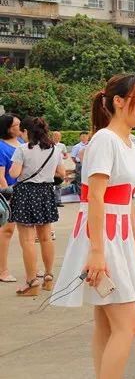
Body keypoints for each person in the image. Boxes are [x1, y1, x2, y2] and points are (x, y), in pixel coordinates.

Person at [51, 75, 135, 379]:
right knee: (127, 322)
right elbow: (95, 196)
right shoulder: (105, 139)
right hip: (104, 237)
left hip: (117, 235)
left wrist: (134, 244)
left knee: (108, 323)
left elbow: (127, 200)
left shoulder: (128, 141)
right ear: (119, 101)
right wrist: (97, 251)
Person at [8, 116, 65, 296]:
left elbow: (15, 173)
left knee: (27, 240)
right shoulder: (54, 149)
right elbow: (61, 174)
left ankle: (32, 282)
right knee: (46, 237)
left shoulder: (22, 149)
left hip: (25, 193)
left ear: (26, 132)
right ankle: (48, 277)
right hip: (46, 193)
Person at [0, 113, 22, 283]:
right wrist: (7, 194)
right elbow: (1, 176)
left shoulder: (22, 143)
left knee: (26, 231)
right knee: (7, 231)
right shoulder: (1, 146)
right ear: (7, 128)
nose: (19, 128)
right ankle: (3, 270)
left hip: (22, 192)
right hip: (9, 194)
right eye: (15, 125)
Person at [52, 131, 67, 207]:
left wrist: (61, 157)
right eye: (55, 136)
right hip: (51, 167)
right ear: (52, 136)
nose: (57, 138)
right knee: (50, 185)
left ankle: (58, 201)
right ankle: (51, 201)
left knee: (59, 185)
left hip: (59, 167)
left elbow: (66, 155)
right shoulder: (49, 144)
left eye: (58, 136)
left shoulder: (62, 145)